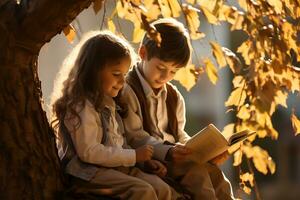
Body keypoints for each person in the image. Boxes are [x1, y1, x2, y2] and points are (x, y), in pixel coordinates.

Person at [50, 30, 173, 200]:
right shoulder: (82, 106)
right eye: (116, 74)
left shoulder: (109, 103)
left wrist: (143, 161)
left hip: (115, 168)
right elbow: (89, 152)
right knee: (143, 192)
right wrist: (134, 156)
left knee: (163, 189)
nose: (123, 81)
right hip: (89, 172)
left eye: (124, 74)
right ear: (93, 71)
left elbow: (118, 144)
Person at [120, 18, 235, 200]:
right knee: (197, 175)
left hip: (175, 159)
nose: (166, 76)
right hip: (149, 161)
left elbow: (179, 135)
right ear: (143, 53)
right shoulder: (128, 90)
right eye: (161, 67)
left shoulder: (174, 97)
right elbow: (135, 137)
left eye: (173, 71)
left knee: (215, 173)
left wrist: (203, 152)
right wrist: (169, 151)